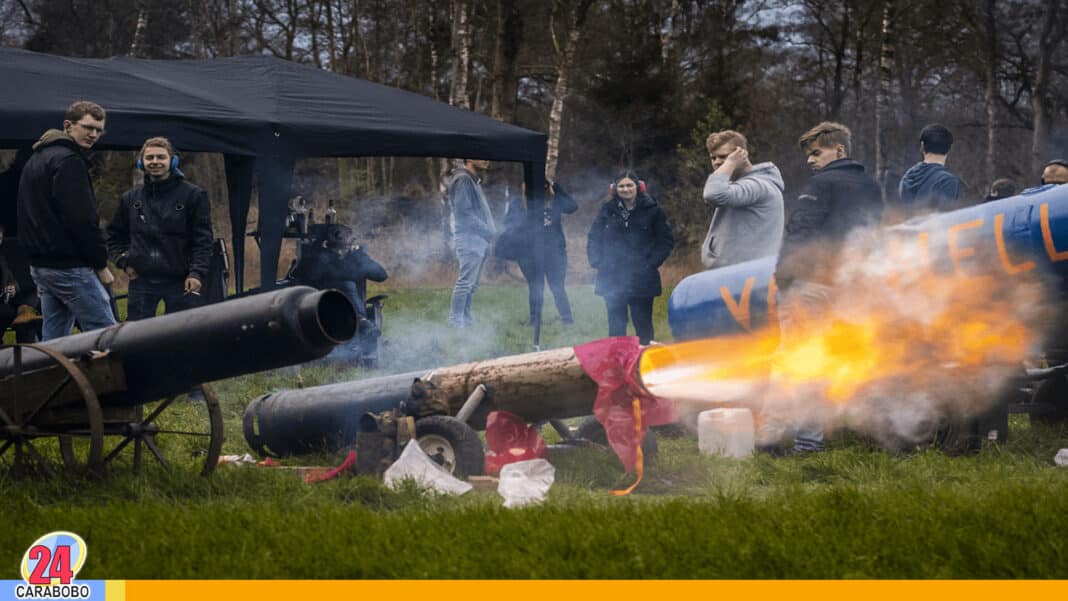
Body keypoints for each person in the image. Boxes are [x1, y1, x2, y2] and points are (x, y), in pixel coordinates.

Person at [772, 122, 883, 454]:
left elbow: (800, 232)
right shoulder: (872, 187)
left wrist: (784, 279)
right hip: (854, 288)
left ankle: (803, 440)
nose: (810, 160)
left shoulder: (821, 184)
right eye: (809, 155)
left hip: (813, 286)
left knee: (800, 360)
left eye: (816, 152)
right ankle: (872, 432)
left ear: (840, 150)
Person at [17, 100, 116, 340]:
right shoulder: (68, 160)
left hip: (42, 266)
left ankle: (48, 376)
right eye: (87, 127)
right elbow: (82, 220)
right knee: (108, 334)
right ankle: (131, 377)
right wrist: (101, 265)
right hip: (68, 266)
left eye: (98, 130)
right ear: (68, 125)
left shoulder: (37, 158)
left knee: (56, 338)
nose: (93, 134)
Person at [106, 137, 213, 320]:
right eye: (150, 158)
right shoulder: (130, 199)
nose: (155, 162)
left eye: (161, 157)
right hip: (142, 281)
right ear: (142, 162)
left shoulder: (193, 195)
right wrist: (124, 261)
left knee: (181, 335)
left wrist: (196, 273)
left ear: (173, 161)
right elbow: (114, 236)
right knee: (137, 337)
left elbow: (203, 240)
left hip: (181, 281)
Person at [586, 172, 674, 344]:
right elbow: (593, 237)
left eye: (629, 185)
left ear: (638, 187)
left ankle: (644, 363)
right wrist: (598, 262)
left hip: (642, 278)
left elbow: (665, 241)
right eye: (621, 186)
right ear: (615, 189)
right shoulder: (607, 210)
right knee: (616, 327)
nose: (625, 189)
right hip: (612, 277)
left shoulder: (653, 210)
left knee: (643, 326)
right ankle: (618, 363)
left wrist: (651, 263)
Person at [701, 130, 785, 269]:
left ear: (741, 154)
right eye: (713, 158)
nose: (716, 162)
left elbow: (713, 194)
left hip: (744, 274)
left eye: (723, 156)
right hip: (739, 272)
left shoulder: (757, 186)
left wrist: (730, 163)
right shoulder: (745, 184)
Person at [508, 180, 577, 325]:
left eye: (544, 185)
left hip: (555, 253)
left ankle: (567, 319)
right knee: (535, 286)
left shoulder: (555, 200)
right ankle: (534, 319)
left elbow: (572, 207)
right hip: (528, 254)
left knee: (557, 286)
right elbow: (509, 224)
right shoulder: (518, 203)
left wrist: (555, 185)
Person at [446, 159, 496, 328]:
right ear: (469, 158)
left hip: (479, 240)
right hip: (470, 239)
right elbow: (464, 214)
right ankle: (456, 323)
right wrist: (488, 231)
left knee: (472, 285)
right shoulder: (463, 179)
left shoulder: (472, 180)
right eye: (481, 156)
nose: (486, 160)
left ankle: (465, 321)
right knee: (465, 283)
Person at [895, 123, 961, 219]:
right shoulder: (947, 181)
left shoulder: (906, 178)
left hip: (907, 232)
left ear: (922, 146)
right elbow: (944, 222)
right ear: (949, 148)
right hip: (931, 233)